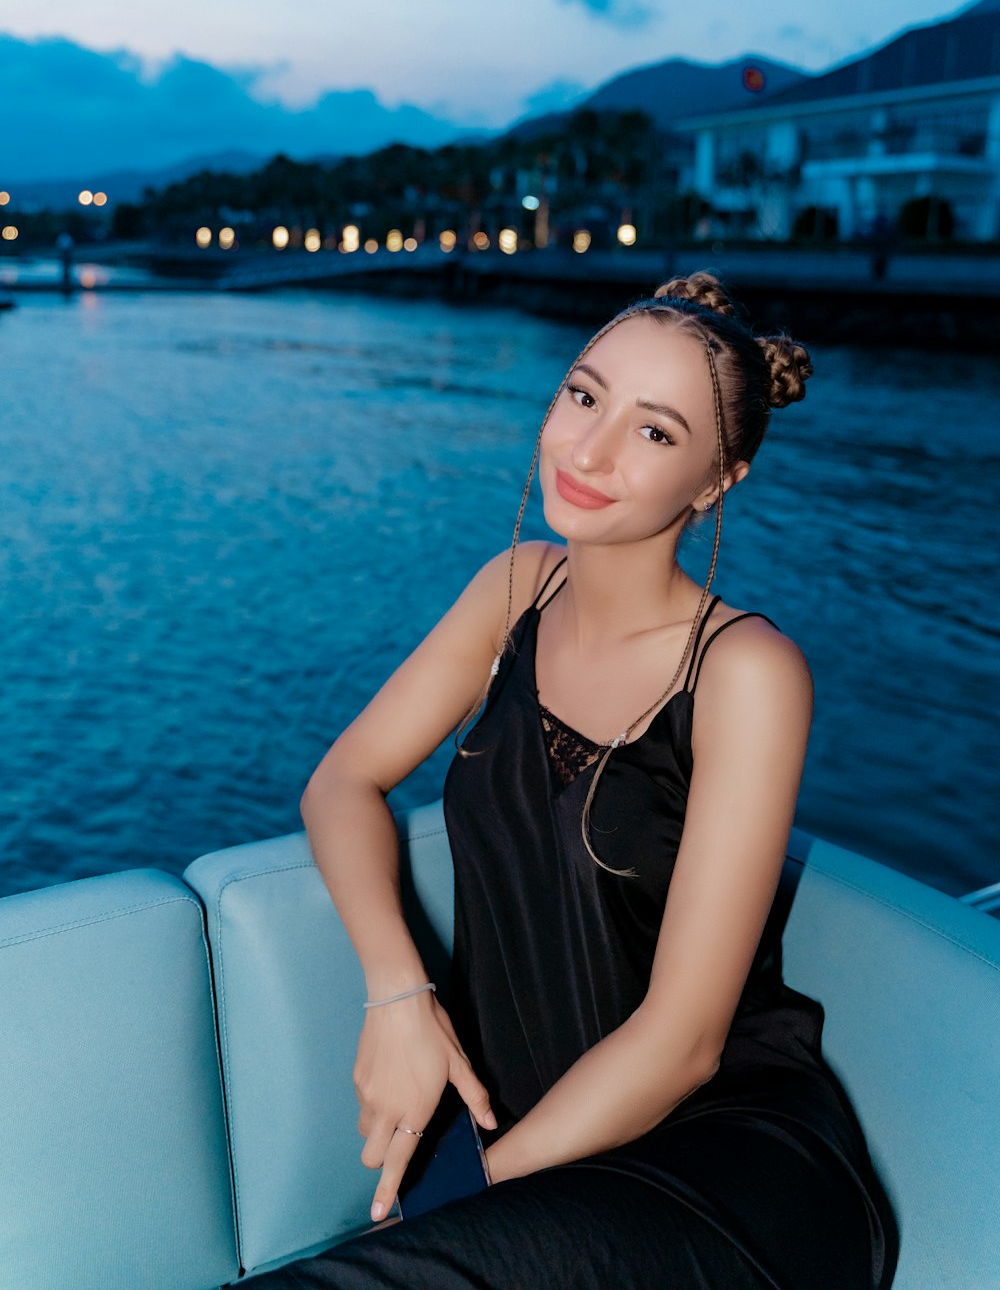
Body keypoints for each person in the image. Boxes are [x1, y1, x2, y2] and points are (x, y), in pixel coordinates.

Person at [254, 272, 898, 1289]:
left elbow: (683, 1041)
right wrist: (399, 993)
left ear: (714, 482)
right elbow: (341, 783)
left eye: (653, 432)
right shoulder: (512, 587)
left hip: (717, 1164)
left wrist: (476, 1191)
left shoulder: (745, 672)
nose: (588, 451)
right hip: (529, 1132)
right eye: (585, 396)